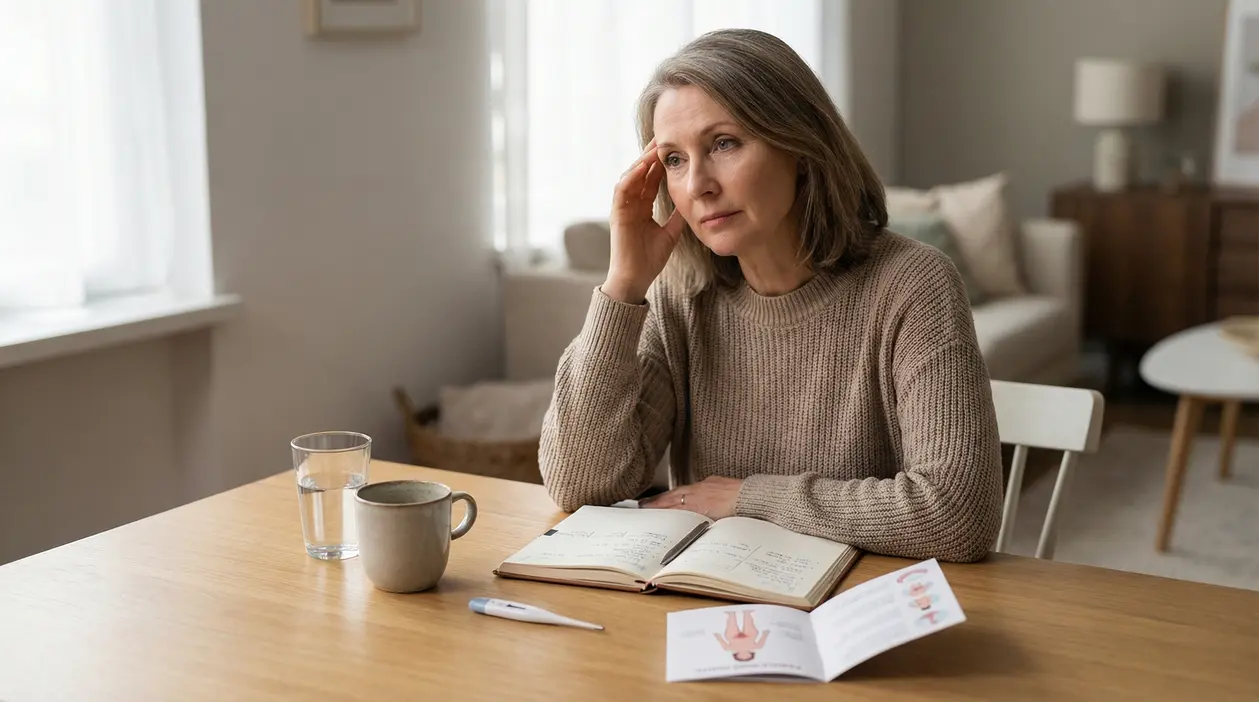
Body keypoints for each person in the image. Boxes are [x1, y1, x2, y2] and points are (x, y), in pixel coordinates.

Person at [538, 28, 1003, 563]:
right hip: (710, 604)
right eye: (674, 160)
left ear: (801, 147)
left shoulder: (913, 285)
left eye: (724, 143)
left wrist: (746, 497)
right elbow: (579, 485)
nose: (697, 186)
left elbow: (958, 515)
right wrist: (622, 288)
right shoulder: (680, 296)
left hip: (859, 607)